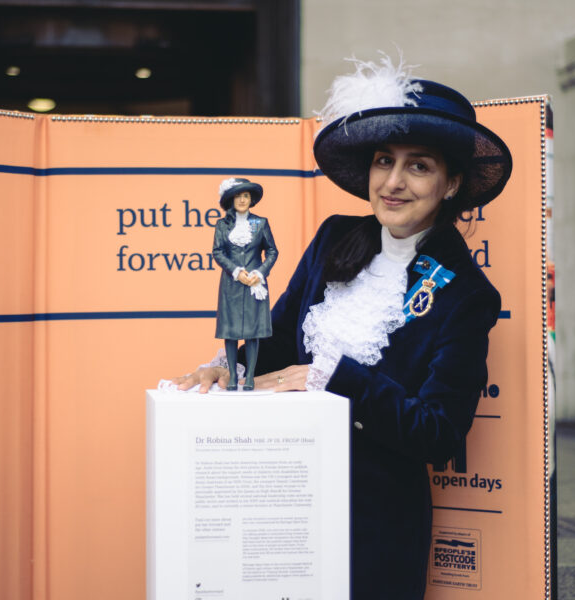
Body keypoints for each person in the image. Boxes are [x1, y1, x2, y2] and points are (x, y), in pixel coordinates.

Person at [171, 56, 512, 599]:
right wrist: (227, 368)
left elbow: (438, 433)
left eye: (418, 166)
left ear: (451, 184)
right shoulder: (334, 236)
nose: (393, 183)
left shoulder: (465, 294)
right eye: (384, 161)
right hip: (281, 502)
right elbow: (278, 339)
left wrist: (331, 376)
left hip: (375, 523)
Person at [212, 177, 278, 390]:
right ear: (231, 199)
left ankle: (249, 376)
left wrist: (260, 272)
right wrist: (236, 271)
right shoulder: (223, 225)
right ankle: (232, 375)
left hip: (254, 284)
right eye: (238, 196)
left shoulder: (261, 223)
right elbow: (218, 252)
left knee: (252, 332)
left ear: (251, 200)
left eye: (246, 196)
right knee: (230, 332)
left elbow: (272, 251)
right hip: (231, 285)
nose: (242, 200)